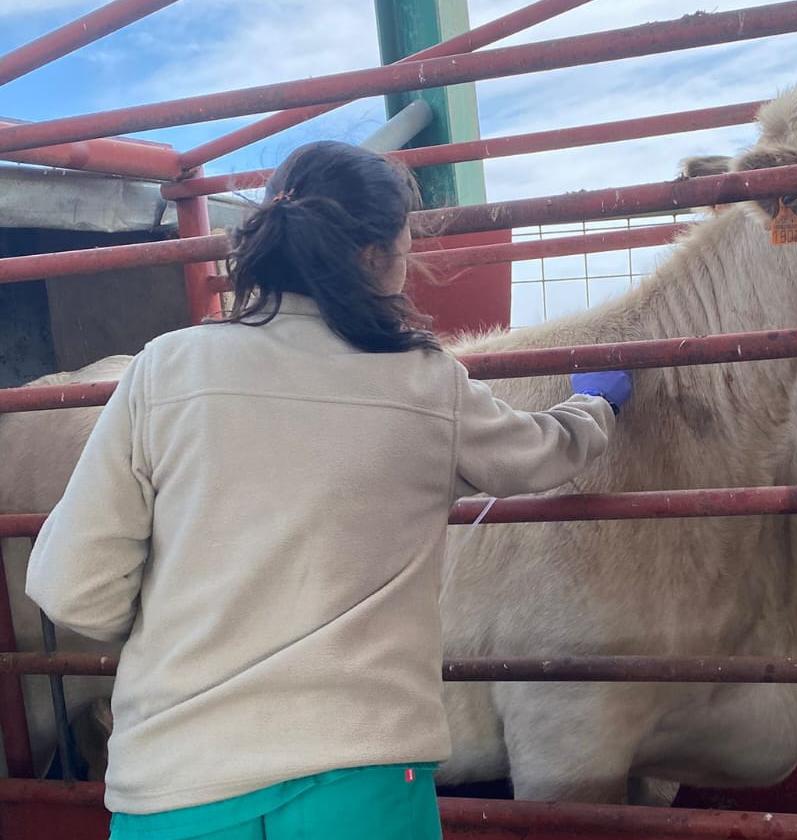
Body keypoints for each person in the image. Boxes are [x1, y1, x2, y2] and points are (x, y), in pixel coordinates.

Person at [26, 140, 633, 840]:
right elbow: (539, 455)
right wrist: (596, 407)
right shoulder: (423, 381)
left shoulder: (166, 368)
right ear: (375, 257)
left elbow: (73, 589)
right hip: (361, 782)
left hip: (174, 785)